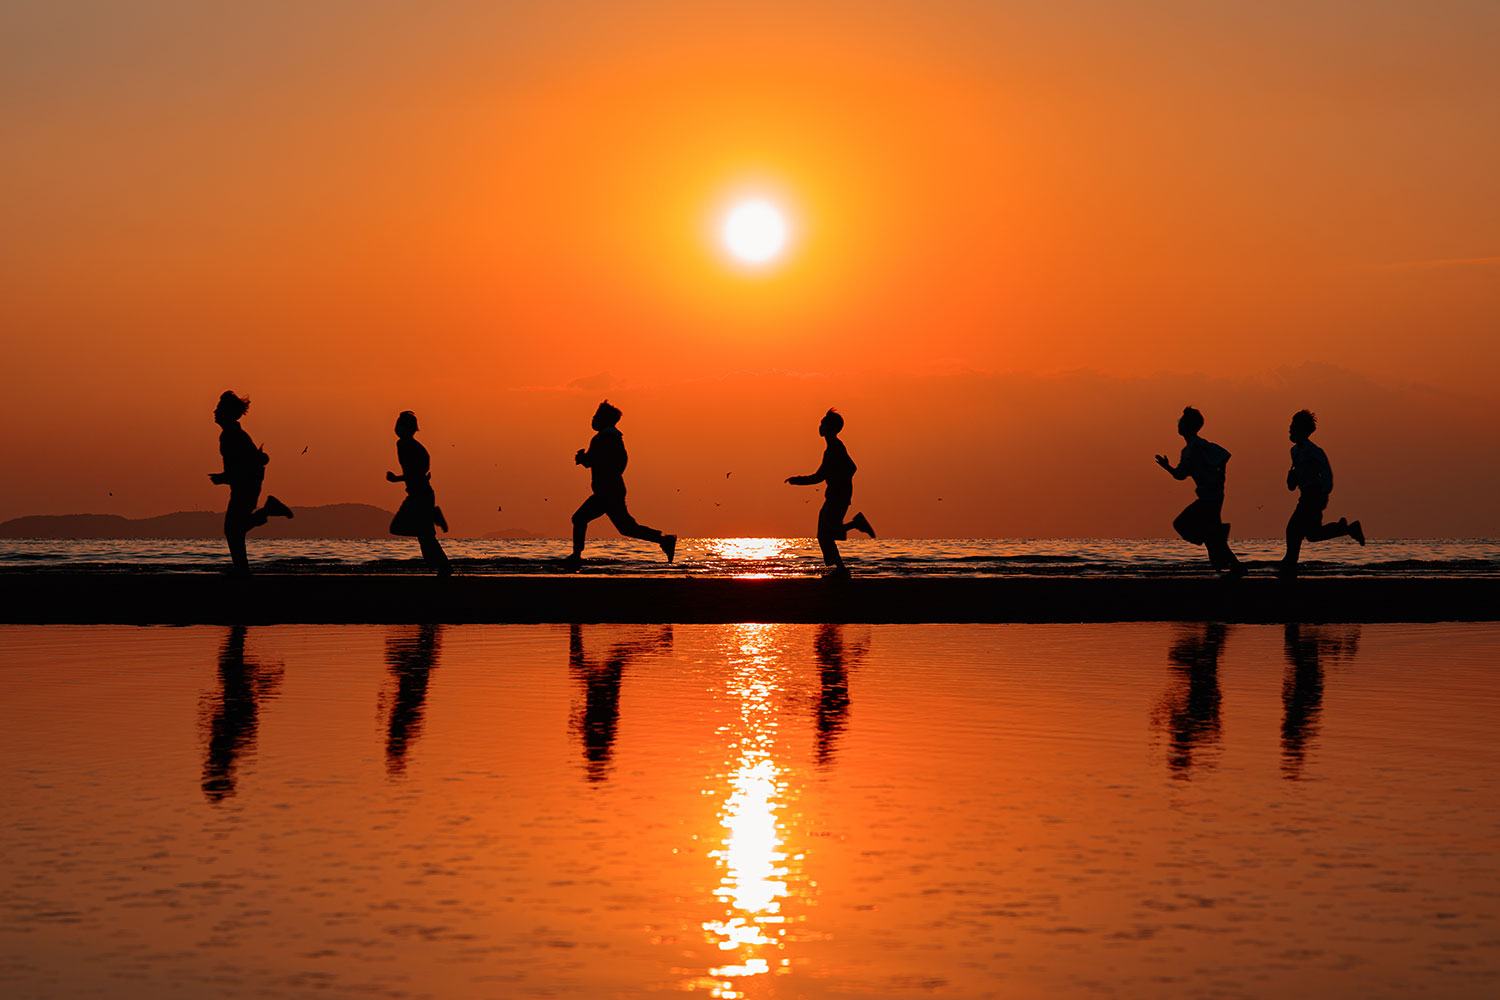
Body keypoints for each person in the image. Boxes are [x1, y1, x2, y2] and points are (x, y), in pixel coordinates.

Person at [564, 401, 676, 570]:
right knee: (627, 528)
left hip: (607, 491)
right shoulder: (612, 437)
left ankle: (576, 556)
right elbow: (613, 461)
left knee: (579, 518)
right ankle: (664, 540)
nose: (593, 420)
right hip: (612, 489)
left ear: (603, 419)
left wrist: (584, 459)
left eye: (596, 417)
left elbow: (599, 461)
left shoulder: (604, 437)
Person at [209, 391, 292, 575]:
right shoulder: (231, 434)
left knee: (233, 529)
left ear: (228, 413)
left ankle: (242, 569)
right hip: (246, 485)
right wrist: (226, 476)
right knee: (235, 528)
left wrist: (224, 477)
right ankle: (242, 568)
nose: (214, 412)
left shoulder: (232, 435)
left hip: (247, 486)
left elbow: (246, 464)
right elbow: (249, 462)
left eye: (219, 409)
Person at [1154, 406, 1244, 578]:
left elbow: (1224, 455)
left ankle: (1228, 557)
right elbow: (1181, 475)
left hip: (1211, 497)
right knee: (1210, 536)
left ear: (1189, 426)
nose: (1178, 425)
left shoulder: (1198, 445)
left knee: (1181, 523)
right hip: (1208, 496)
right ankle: (1232, 564)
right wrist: (1167, 467)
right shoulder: (1189, 449)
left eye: (1181, 422)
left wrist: (1220, 477)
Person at [786, 408, 875, 579]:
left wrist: (798, 480)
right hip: (837, 494)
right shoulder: (835, 447)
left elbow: (821, 476)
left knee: (826, 534)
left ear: (830, 428)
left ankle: (856, 527)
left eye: (823, 424)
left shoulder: (834, 448)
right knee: (827, 533)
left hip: (837, 496)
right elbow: (850, 468)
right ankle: (841, 568)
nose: (820, 427)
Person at [1278, 409, 1364, 578]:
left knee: (1293, 529)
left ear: (1303, 431)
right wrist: (1292, 480)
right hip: (1306, 495)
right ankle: (1345, 528)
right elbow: (1297, 479)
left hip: (1314, 495)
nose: (1289, 430)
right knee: (1312, 534)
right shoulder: (1295, 451)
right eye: (1290, 426)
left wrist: (1324, 492)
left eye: (1293, 427)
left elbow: (1326, 471)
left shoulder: (1313, 450)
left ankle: (1290, 564)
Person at [385, 410, 452, 576]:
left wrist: (397, 479)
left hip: (421, 495)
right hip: (419, 494)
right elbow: (420, 469)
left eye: (400, 425)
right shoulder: (408, 446)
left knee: (412, 531)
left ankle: (444, 568)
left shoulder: (408, 446)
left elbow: (416, 471)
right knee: (424, 534)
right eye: (396, 425)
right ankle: (443, 566)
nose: (397, 428)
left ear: (408, 428)